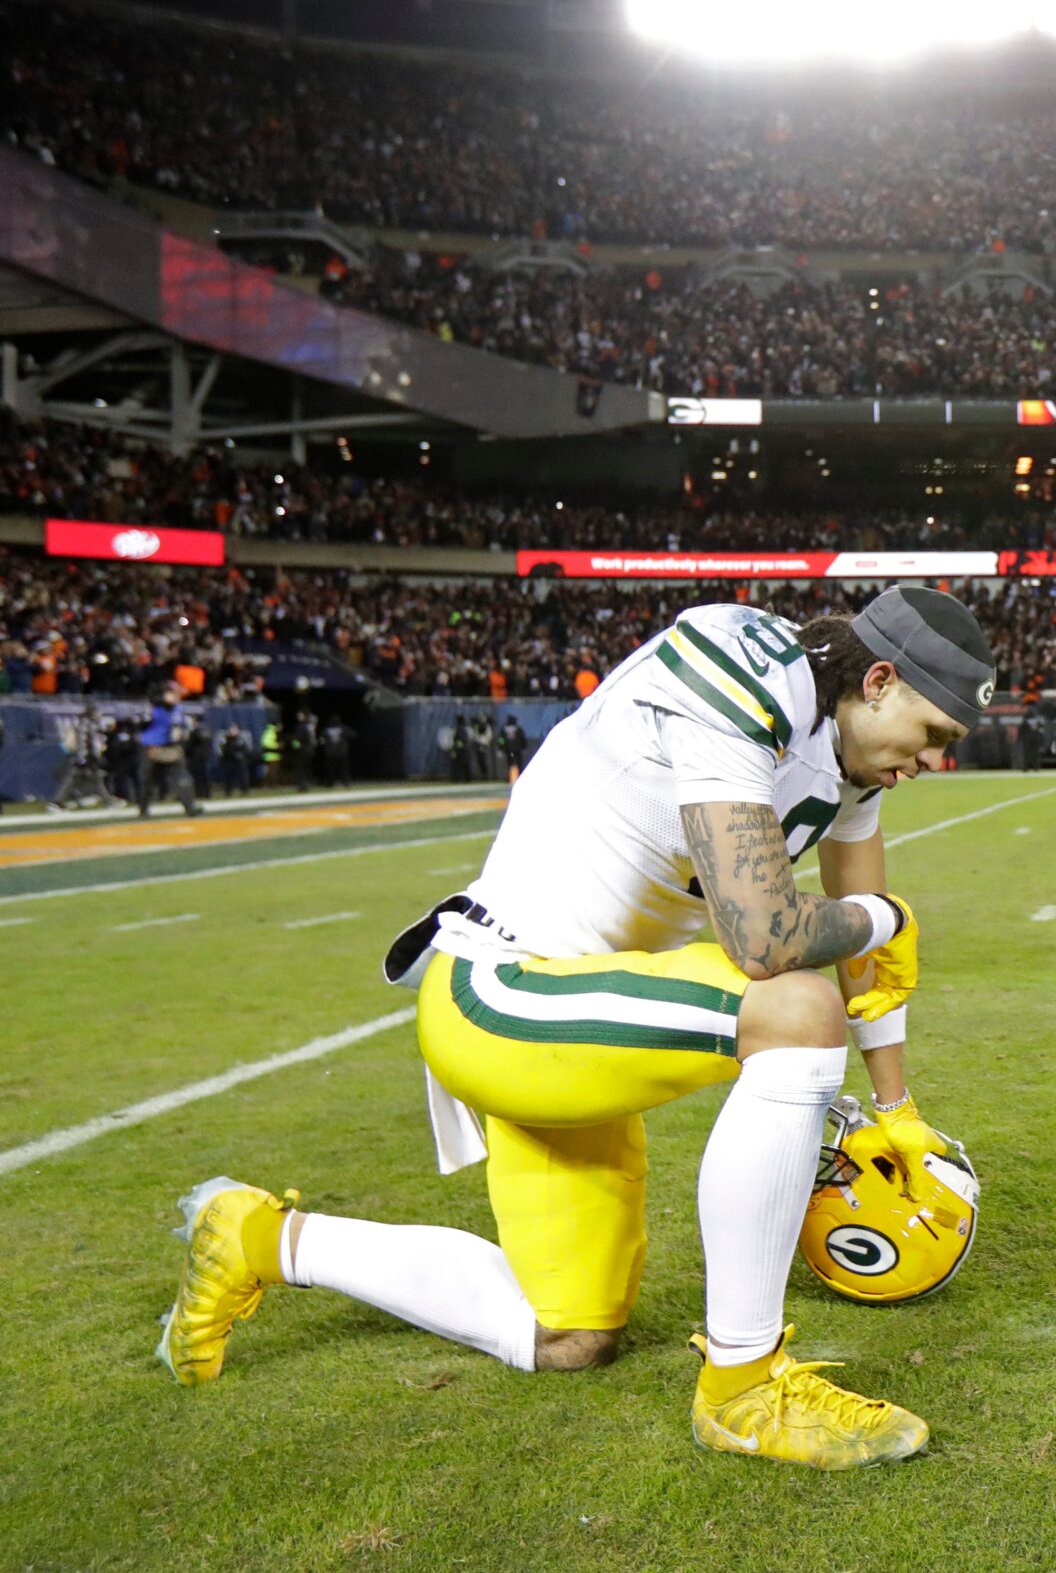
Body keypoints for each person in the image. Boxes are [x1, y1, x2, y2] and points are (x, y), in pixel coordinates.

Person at [158, 585, 1000, 1471]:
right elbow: (766, 938)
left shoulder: (848, 758)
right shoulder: (747, 665)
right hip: (504, 995)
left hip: (580, 1023)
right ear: (877, 681)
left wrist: (897, 1106)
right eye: (934, 733)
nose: (934, 761)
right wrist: (888, 919)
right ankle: (744, 1389)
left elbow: (869, 944)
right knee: (794, 1007)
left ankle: (254, 1236)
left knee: (567, 1334)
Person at [134, 686, 200, 819]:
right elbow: (140, 725)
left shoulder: (177, 709)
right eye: (171, 694)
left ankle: (190, 807)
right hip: (151, 747)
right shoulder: (153, 709)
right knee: (147, 780)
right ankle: (143, 809)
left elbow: (179, 728)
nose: (175, 697)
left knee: (182, 777)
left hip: (171, 747)